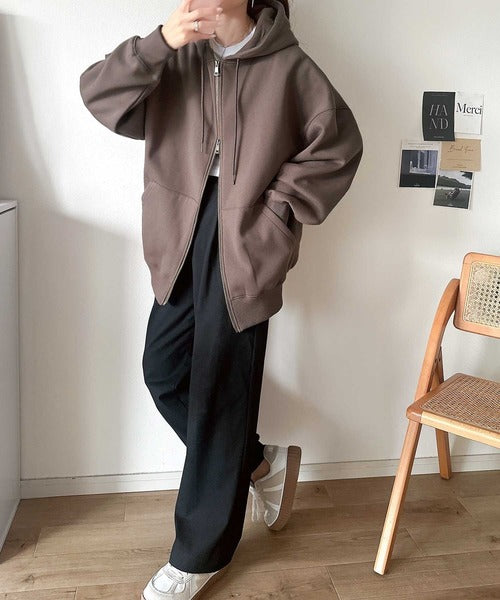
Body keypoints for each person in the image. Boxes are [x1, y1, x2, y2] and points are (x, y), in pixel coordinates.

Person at [79, 1, 363, 598]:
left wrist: (276, 213)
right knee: (164, 371)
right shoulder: (175, 55)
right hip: (179, 235)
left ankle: (200, 553)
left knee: (220, 391)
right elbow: (100, 96)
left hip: (247, 243)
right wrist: (159, 43)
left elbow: (339, 147)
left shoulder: (288, 66)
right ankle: (258, 463)